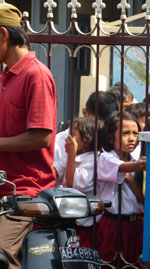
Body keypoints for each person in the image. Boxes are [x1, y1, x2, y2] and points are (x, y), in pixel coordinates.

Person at [0, 4, 57, 268]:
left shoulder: (36, 75)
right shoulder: (5, 77)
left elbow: (41, 137)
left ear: (3, 36)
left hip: (25, 193)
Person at [96, 111, 146, 266]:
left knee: (133, 263)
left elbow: (141, 199)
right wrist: (139, 166)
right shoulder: (105, 158)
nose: (132, 138)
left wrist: (132, 176)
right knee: (110, 263)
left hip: (135, 224)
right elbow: (122, 168)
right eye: (125, 133)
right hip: (113, 224)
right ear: (111, 138)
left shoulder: (135, 162)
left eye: (135, 133)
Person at [54, 91, 118, 183]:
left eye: (107, 121)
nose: (102, 126)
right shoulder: (62, 141)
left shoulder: (113, 140)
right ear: (84, 113)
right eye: (98, 121)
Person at [61, 117, 101, 248]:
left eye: (73, 134)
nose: (68, 138)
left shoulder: (93, 161)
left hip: (85, 228)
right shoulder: (73, 158)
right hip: (69, 224)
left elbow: (71, 184)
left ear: (87, 139)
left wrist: (71, 154)